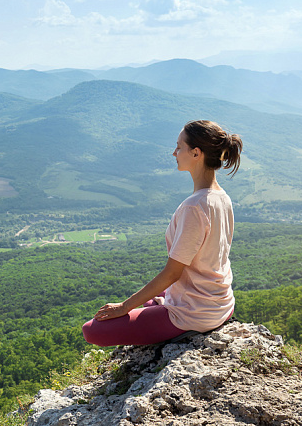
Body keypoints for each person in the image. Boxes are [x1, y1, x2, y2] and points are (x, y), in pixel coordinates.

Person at [82, 120, 243, 346]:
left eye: (179, 147)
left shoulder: (194, 207)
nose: (174, 152)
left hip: (194, 313)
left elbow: (172, 274)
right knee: (150, 300)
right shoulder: (221, 197)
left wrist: (124, 306)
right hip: (220, 302)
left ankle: (180, 328)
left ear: (196, 153)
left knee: (93, 330)